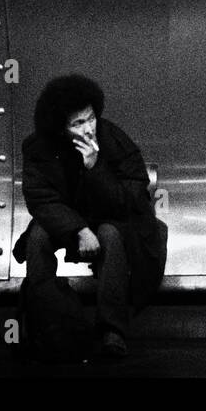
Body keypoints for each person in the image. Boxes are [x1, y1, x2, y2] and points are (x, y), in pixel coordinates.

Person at [12, 74, 167, 359]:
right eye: (77, 123)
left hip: (114, 218)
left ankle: (112, 330)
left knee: (110, 235)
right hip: (71, 219)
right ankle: (56, 320)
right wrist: (79, 229)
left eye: (91, 118)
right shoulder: (37, 148)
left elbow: (132, 199)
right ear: (60, 128)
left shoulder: (113, 139)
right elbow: (42, 199)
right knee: (37, 238)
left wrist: (96, 169)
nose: (88, 129)